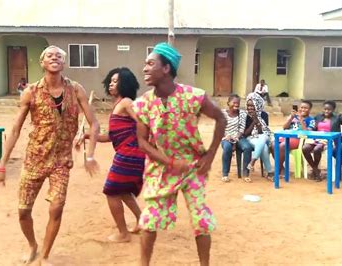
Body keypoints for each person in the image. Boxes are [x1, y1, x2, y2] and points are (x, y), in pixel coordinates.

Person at [0, 45, 100, 265]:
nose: (54, 58)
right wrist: (2, 165)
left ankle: (45, 255)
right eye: (49, 55)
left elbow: (94, 124)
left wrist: (89, 155)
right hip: (35, 158)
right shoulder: (31, 92)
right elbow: (15, 129)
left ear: (64, 63)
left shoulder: (76, 89)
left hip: (61, 161)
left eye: (59, 56)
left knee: (57, 207)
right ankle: (32, 245)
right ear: (42, 63)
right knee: (23, 211)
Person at [134, 43, 226, 266]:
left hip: (194, 168)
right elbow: (142, 142)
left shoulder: (193, 96)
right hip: (161, 168)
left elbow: (221, 118)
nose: (145, 69)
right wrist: (171, 162)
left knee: (200, 219)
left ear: (166, 68)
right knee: (149, 220)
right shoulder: (143, 103)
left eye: (150, 64)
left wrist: (210, 155)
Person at [84, 67, 145, 242]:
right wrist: (88, 135)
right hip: (129, 153)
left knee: (111, 191)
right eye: (110, 81)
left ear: (124, 84)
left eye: (115, 81)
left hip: (131, 153)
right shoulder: (117, 106)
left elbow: (144, 120)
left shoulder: (126, 102)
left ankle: (123, 233)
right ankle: (141, 220)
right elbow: (110, 136)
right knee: (123, 191)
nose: (111, 84)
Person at [273, 99, 315, 174]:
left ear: (310, 109)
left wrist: (301, 120)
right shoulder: (294, 117)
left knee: (283, 146)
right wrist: (291, 118)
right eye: (301, 107)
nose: (303, 109)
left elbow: (307, 132)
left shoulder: (311, 120)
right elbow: (285, 127)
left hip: (299, 139)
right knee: (272, 145)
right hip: (288, 136)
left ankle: (277, 171)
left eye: (305, 108)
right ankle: (281, 168)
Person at [302, 100, 337, 181]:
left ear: (333, 110)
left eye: (329, 109)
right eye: (325, 109)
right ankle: (316, 170)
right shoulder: (318, 117)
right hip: (316, 138)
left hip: (328, 139)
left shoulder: (336, 118)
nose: (326, 111)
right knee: (305, 148)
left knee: (317, 149)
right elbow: (313, 127)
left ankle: (315, 171)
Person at [220, 94, 252, 182]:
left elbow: (242, 128)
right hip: (226, 137)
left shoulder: (242, 113)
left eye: (238, 103)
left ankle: (246, 173)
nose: (236, 105)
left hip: (238, 137)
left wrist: (236, 137)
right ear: (228, 103)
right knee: (227, 147)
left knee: (248, 147)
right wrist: (227, 136)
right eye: (234, 102)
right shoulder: (222, 113)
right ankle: (225, 174)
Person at [245, 92, 273, 180]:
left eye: (252, 105)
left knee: (263, 136)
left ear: (258, 104)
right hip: (251, 137)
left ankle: (252, 162)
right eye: (248, 105)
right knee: (264, 147)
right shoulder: (244, 115)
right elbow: (246, 133)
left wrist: (257, 120)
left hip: (263, 136)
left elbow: (262, 131)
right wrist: (253, 121)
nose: (249, 108)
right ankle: (269, 172)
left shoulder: (264, 115)